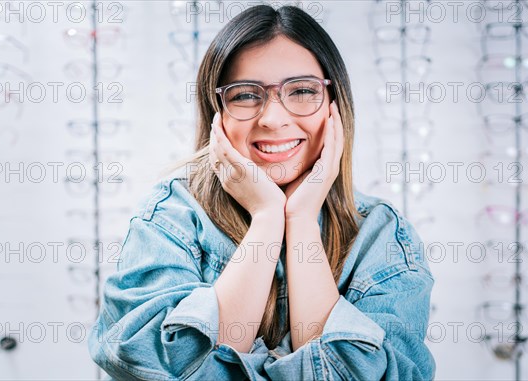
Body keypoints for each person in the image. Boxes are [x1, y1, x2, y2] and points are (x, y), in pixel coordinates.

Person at [88, 4, 435, 380]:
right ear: (216, 112)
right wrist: (268, 218)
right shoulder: (170, 218)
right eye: (245, 95)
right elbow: (159, 369)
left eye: (302, 91)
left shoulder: (382, 235)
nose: (272, 118)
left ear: (336, 107)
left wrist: (300, 219)